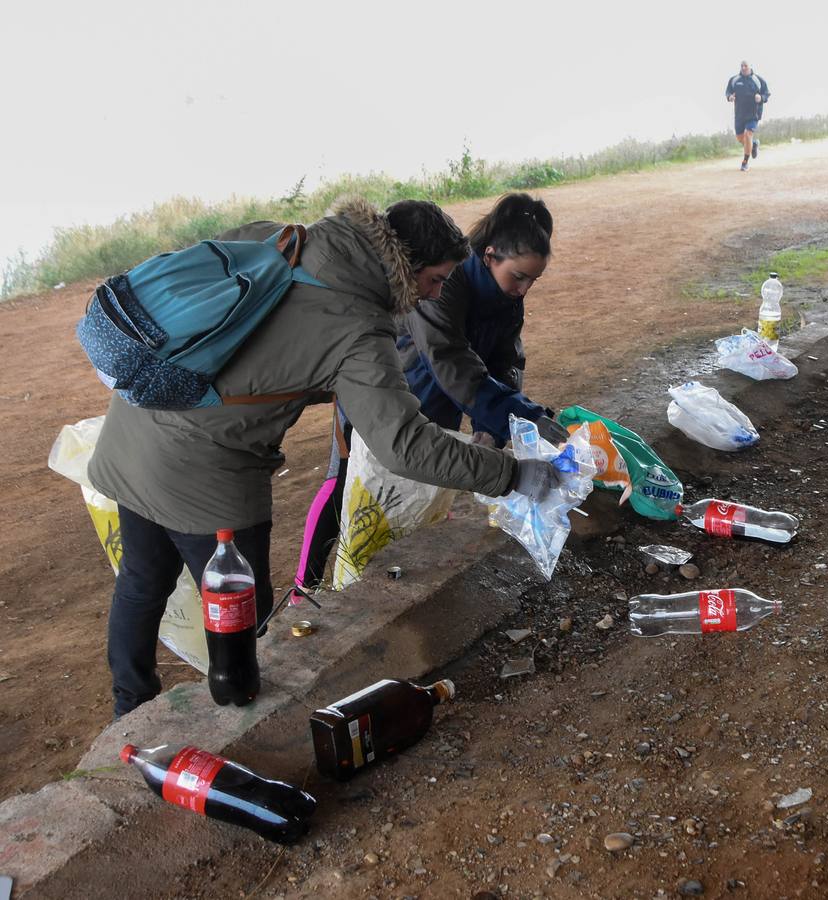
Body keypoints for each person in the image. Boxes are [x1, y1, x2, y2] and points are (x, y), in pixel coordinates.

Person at [88, 198, 563, 717]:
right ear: (406, 266)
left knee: (142, 578)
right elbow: (403, 444)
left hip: (138, 417)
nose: (436, 293)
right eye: (435, 280)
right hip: (208, 468)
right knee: (243, 617)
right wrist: (511, 474)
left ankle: (128, 711)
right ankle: (240, 718)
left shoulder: (283, 237)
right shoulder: (360, 326)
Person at [294, 193, 568, 590]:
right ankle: (306, 585)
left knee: (423, 485)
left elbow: (505, 360)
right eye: (519, 276)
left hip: (441, 404)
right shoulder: (445, 281)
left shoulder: (506, 299)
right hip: (383, 393)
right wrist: (520, 418)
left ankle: (391, 587)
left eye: (532, 280)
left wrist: (498, 423)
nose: (524, 289)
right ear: (490, 256)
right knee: (344, 486)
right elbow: (450, 359)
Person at [726, 60, 770, 172]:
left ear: (750, 66)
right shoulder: (734, 80)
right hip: (739, 114)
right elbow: (728, 92)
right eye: (742, 66)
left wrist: (761, 98)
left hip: (753, 113)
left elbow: (766, 93)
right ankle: (754, 144)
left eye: (746, 65)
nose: (744, 68)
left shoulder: (758, 80)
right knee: (740, 138)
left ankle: (745, 162)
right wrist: (730, 97)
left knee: (748, 134)